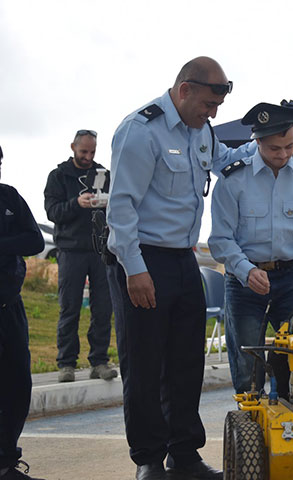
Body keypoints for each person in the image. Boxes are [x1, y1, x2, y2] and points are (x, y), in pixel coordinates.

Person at [106, 57, 255, 480]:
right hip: (142, 259)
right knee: (145, 362)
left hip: (182, 258)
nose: (213, 114)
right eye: (209, 103)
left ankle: (184, 454)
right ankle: (149, 459)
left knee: (187, 361)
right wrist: (134, 270)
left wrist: (265, 139)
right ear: (185, 89)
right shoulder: (141, 130)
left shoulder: (201, 131)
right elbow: (121, 209)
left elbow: (226, 159)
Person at [209, 102, 293, 395]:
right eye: (274, 148)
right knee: (247, 366)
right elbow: (220, 239)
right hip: (244, 281)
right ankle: (248, 429)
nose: (283, 155)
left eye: (290, 147)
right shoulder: (232, 180)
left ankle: (288, 429)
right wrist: (245, 269)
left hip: (291, 278)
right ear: (257, 141)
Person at [43, 130, 116, 383]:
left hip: (100, 250)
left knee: (103, 309)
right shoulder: (58, 176)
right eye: (84, 151)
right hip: (71, 250)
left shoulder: (104, 175)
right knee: (69, 308)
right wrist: (77, 203)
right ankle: (66, 364)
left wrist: (107, 203)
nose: (88, 157)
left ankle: (99, 360)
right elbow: (52, 212)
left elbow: (118, 205)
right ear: (73, 147)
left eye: (92, 152)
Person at [0, 145, 46, 479]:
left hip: (9, 307)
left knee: (17, 384)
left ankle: (5, 462)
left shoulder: (9, 198)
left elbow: (34, 241)